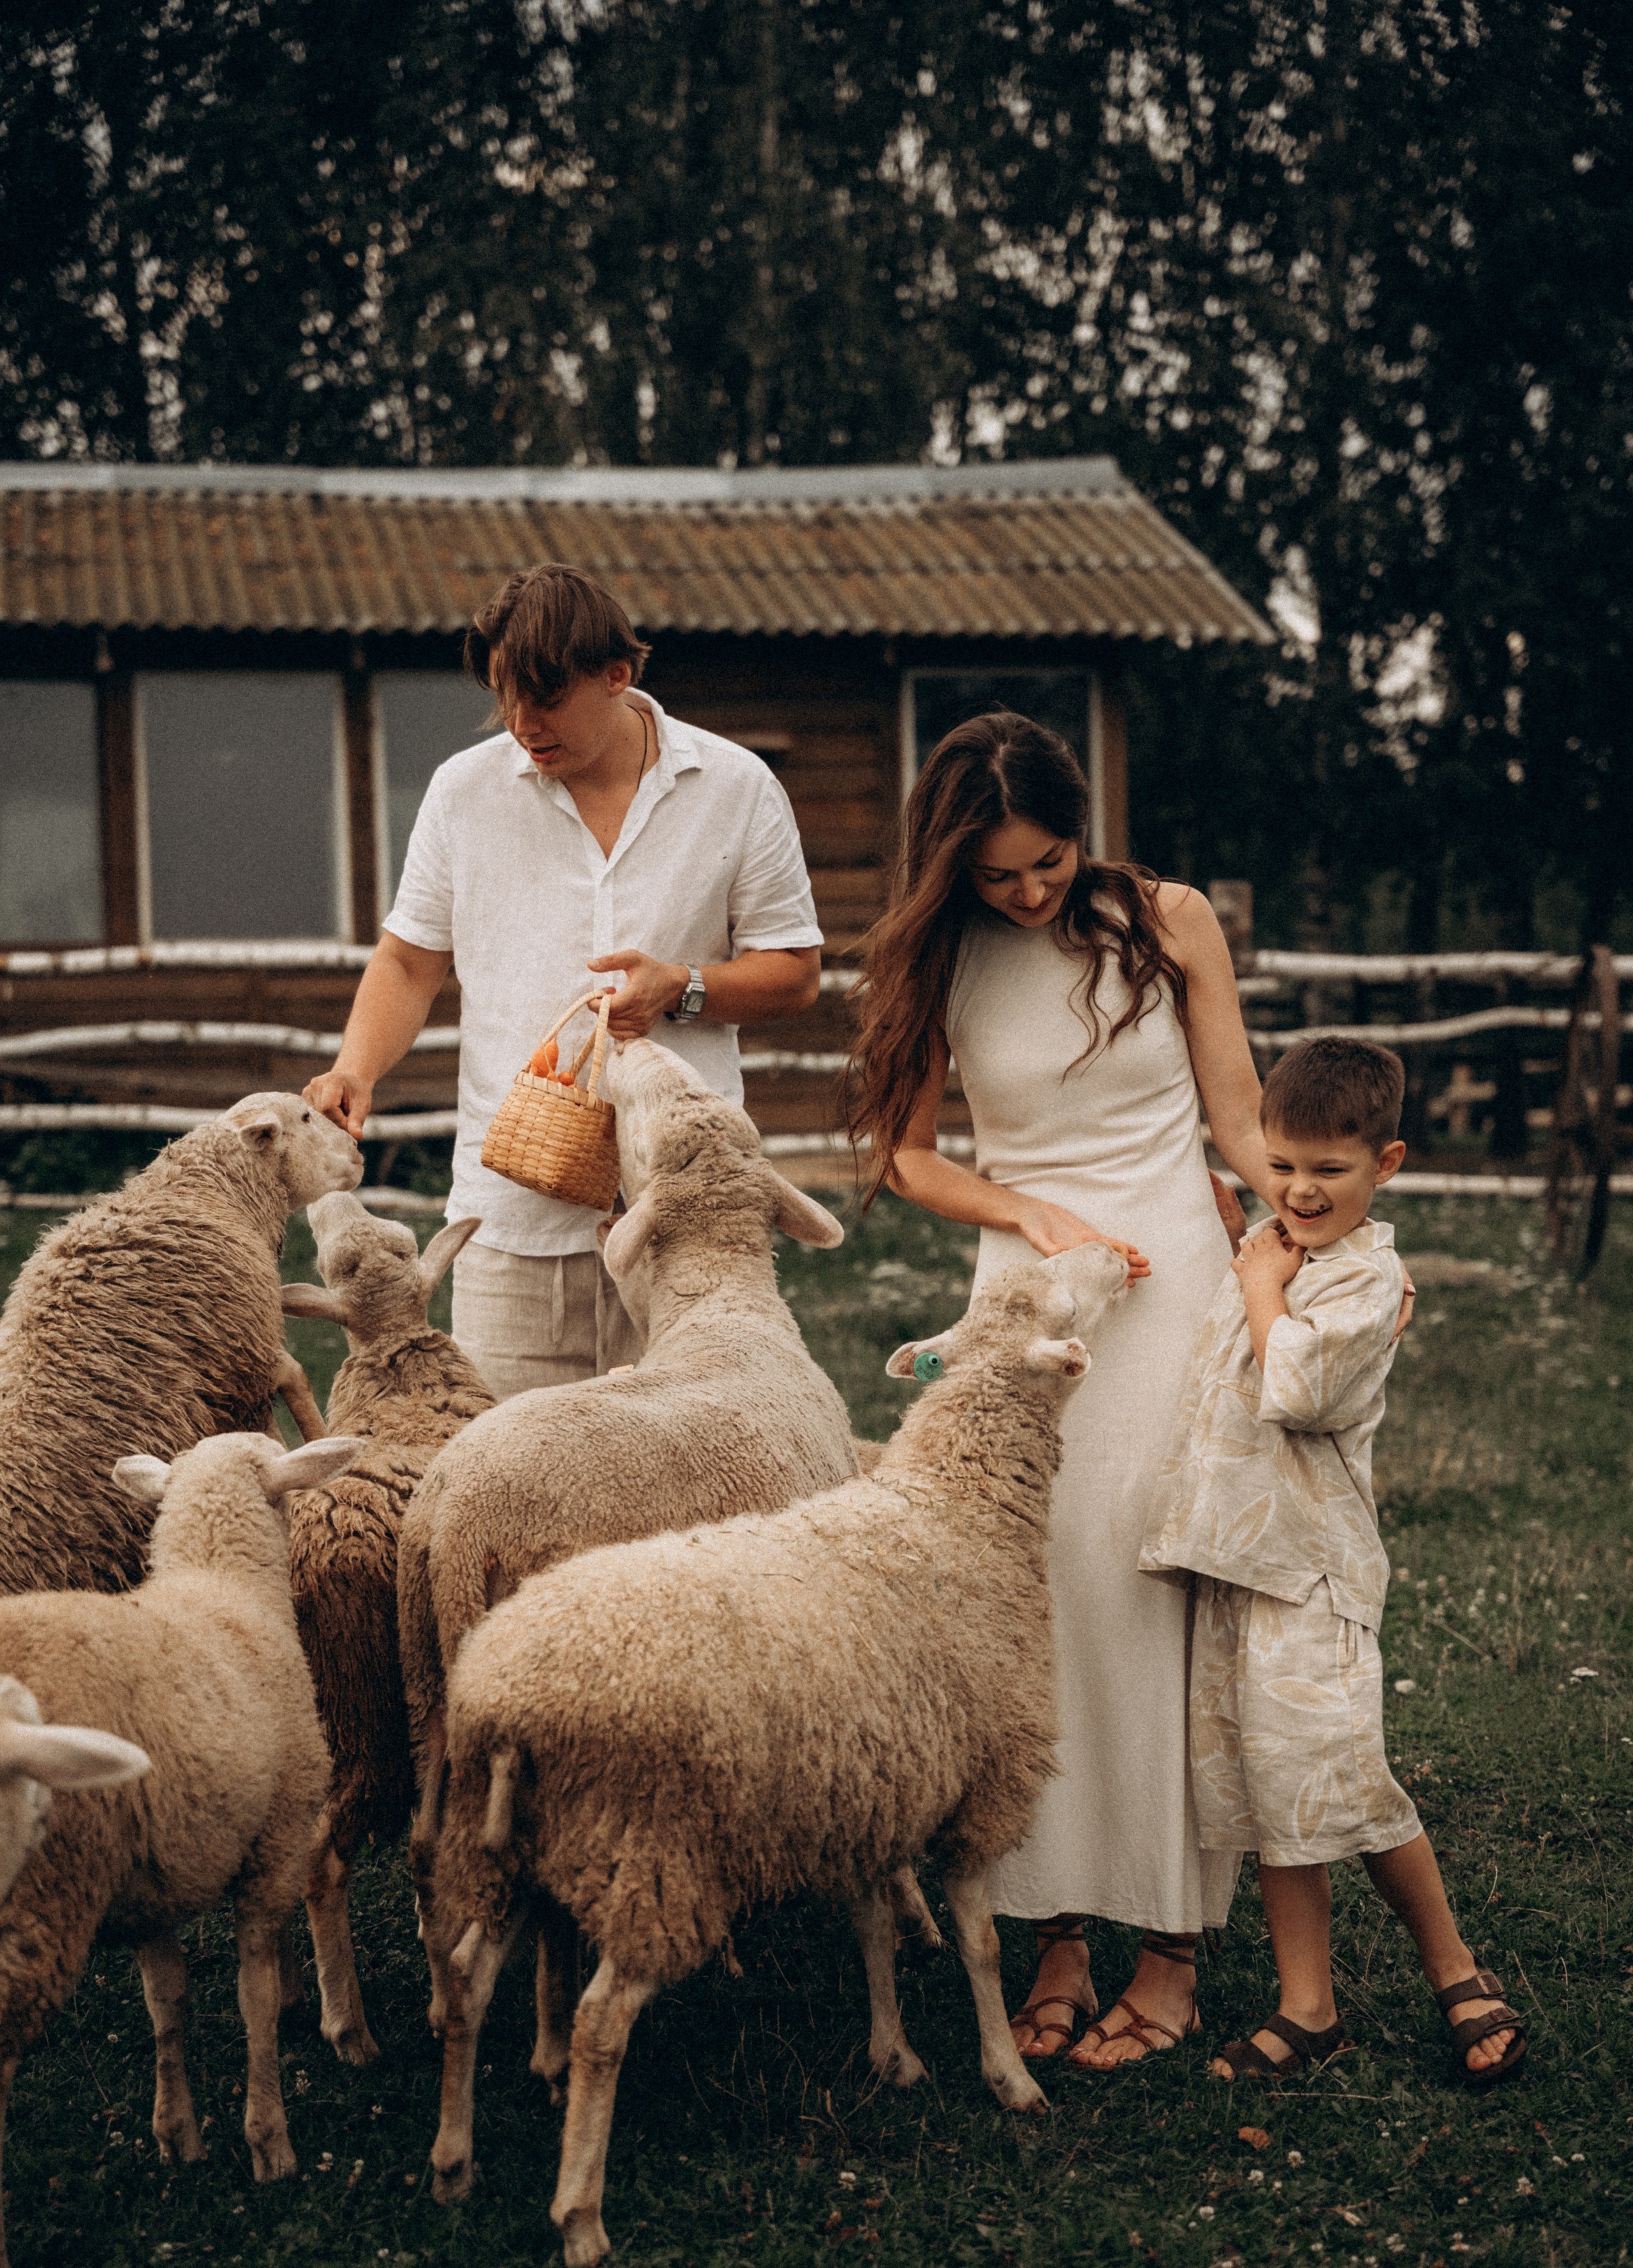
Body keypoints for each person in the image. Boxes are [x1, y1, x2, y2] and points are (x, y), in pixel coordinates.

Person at [845, 710, 1274, 2069]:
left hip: (1175, 1281)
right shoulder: (937, 957)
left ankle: (1172, 1942)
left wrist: (1330, 1236)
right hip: (1031, 1294)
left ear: (1082, 831)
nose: (1029, 892)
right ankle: (1055, 1930)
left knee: (1153, 1586)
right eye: (996, 874)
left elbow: (1239, 1118)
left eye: (1048, 862)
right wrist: (1026, 1212)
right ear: (950, 866)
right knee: (1040, 1596)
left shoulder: (1169, 921)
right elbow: (905, 1155)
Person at [304, 563, 824, 1399]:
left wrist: (682, 987)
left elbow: (795, 975)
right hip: (510, 1227)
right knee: (507, 1471)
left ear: (617, 674)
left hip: (687, 1227)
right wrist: (355, 1069)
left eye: (544, 699)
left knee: (696, 1471)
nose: (522, 725)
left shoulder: (737, 787)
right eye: (505, 698)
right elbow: (408, 960)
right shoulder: (462, 793)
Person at [1140, 1037, 1525, 2085]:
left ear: (1386, 1163)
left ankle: (1454, 1966)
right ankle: (1308, 2006)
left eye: (1329, 1169)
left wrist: (1264, 1282)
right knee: (1276, 1797)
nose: (1301, 1189)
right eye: (1283, 1165)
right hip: (1239, 1566)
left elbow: (1302, 1389)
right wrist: (1243, 1244)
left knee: (1347, 1780)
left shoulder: (1365, 1279)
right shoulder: (1276, 1247)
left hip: (1310, 1576)